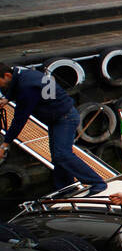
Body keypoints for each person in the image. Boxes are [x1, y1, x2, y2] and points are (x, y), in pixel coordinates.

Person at [0, 62, 107, 195]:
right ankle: (66, 188)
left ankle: (96, 182)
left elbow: (20, 118)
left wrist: (6, 143)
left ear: (6, 75)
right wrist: (8, 98)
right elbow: (16, 86)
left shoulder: (26, 87)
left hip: (64, 118)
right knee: (57, 157)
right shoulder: (22, 73)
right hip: (56, 117)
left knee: (62, 154)